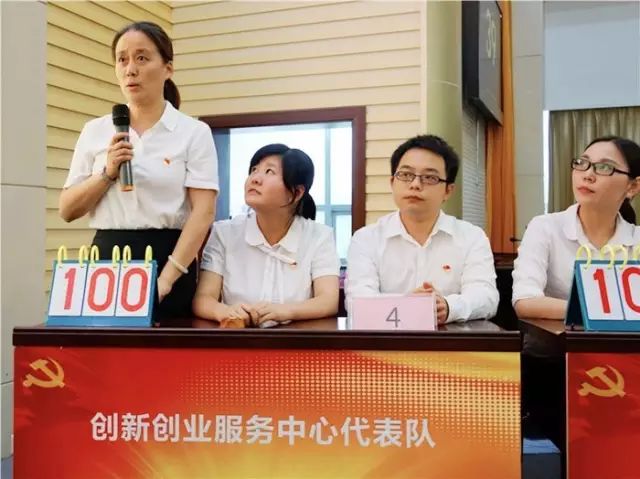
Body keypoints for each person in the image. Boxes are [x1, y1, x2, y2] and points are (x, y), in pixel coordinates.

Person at [58, 21, 219, 319]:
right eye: (122, 59)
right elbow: (67, 209)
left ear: (168, 68)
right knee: (105, 347)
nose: (130, 69)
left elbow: (203, 212)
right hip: (107, 260)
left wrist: (166, 279)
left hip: (169, 260)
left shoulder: (193, 132)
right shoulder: (95, 130)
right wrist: (107, 173)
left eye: (142, 58)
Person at [346, 134, 499, 324]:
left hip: (450, 341)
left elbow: (486, 297)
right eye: (406, 175)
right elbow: (357, 301)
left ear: (448, 191)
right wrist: (411, 305)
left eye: (429, 178)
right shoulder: (366, 239)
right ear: (392, 182)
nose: (415, 185)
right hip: (385, 341)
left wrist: (448, 306)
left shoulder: (471, 237)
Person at [193, 144, 340, 328]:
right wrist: (225, 312)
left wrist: (285, 311)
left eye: (269, 171)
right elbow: (203, 299)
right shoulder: (224, 233)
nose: (255, 178)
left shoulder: (319, 236)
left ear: (297, 193)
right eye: (254, 170)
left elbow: (328, 300)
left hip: (298, 340)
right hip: (237, 337)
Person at [512, 135, 640, 320]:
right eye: (582, 163)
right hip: (558, 338)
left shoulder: (636, 239)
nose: (587, 175)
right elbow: (525, 301)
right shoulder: (545, 227)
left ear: (633, 186)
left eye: (604, 167)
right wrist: (605, 311)